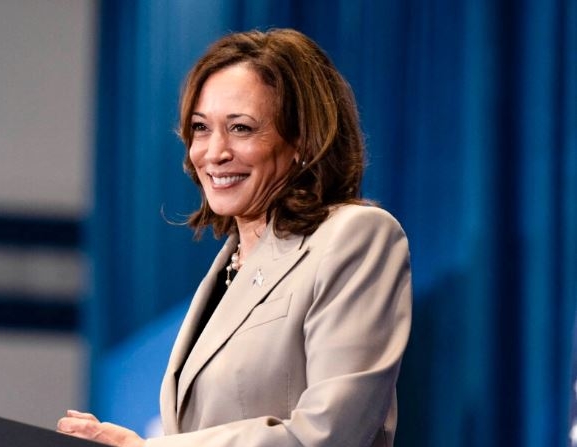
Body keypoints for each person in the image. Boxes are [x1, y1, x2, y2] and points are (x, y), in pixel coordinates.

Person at [57, 28, 412, 447]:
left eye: (241, 128)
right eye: (201, 128)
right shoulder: (229, 266)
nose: (214, 151)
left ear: (301, 139)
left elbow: (330, 432)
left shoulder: (356, 237)